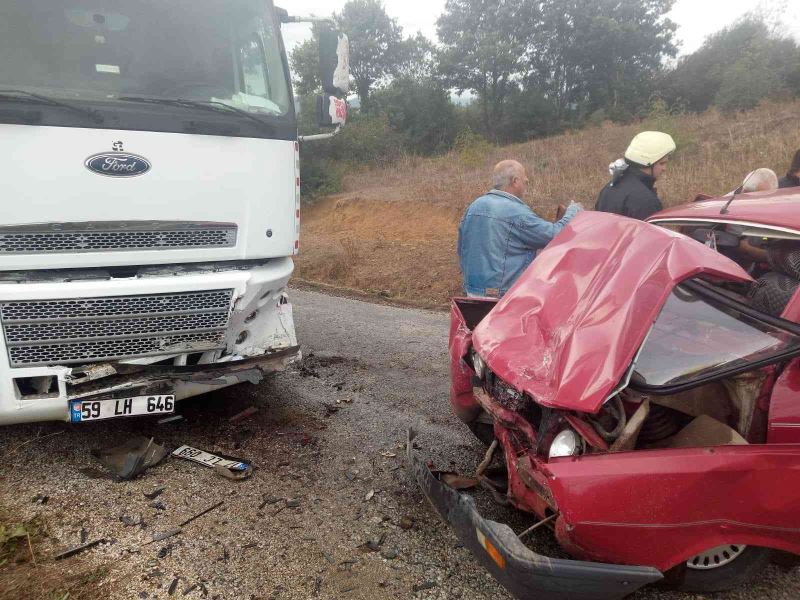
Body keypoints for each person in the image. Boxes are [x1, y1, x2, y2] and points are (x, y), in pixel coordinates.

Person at [458, 160, 582, 298]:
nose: (526, 182)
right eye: (525, 180)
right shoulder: (515, 212)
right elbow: (555, 235)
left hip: (473, 291)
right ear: (515, 181)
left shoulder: (474, 206)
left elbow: (462, 249)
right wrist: (573, 212)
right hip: (502, 296)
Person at [596, 131, 676, 220]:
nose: (664, 168)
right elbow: (650, 233)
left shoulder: (610, 187)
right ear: (648, 163)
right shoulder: (646, 201)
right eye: (662, 163)